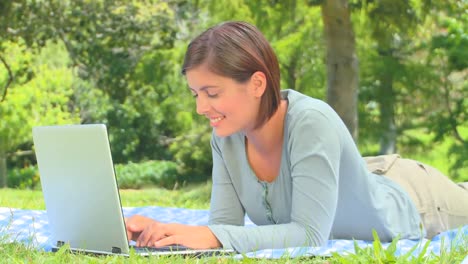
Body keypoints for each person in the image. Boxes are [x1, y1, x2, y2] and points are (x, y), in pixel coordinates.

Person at [125, 21, 468, 253]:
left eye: (212, 93)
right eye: (195, 93)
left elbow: (308, 235)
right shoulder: (226, 137)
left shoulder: (311, 121)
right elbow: (224, 228)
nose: (201, 107)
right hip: (360, 177)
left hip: (418, 201)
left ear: (257, 84)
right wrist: (166, 233)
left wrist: (212, 235)